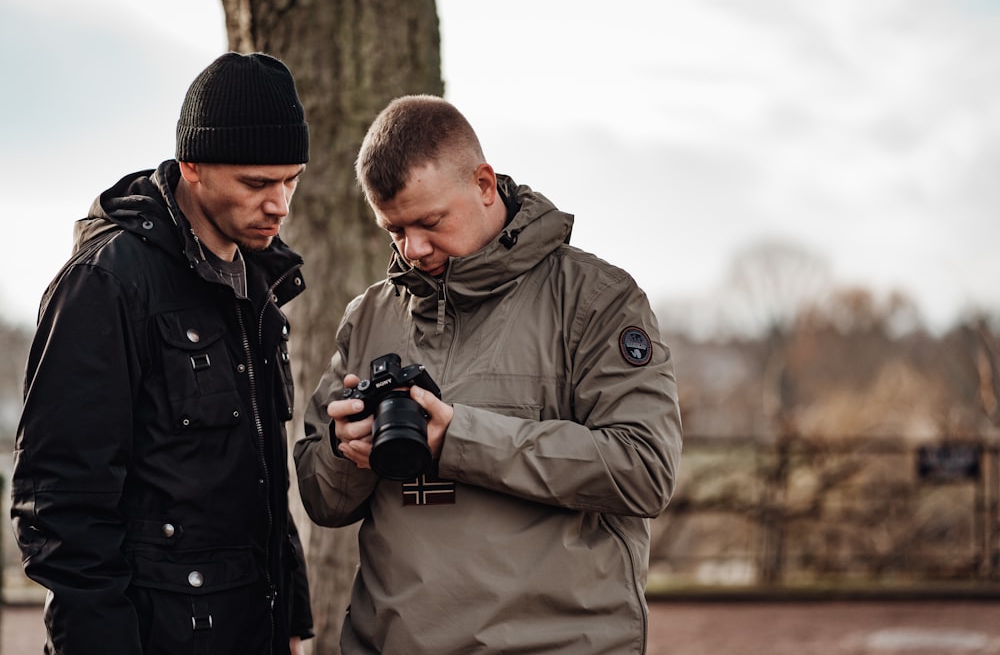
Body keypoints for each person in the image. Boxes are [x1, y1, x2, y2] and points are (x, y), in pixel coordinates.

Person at [294, 95, 683, 654]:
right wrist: (344, 450)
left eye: (429, 222)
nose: (413, 248)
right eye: (394, 230)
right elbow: (322, 501)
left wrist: (458, 439)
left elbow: (644, 469)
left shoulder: (596, 300)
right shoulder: (370, 316)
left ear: (483, 183)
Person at [11, 52, 315, 655]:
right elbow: (60, 508)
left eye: (291, 180)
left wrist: (292, 623)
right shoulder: (106, 284)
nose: (280, 204)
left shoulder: (256, 284)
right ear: (192, 167)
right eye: (257, 183)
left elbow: (261, 483)